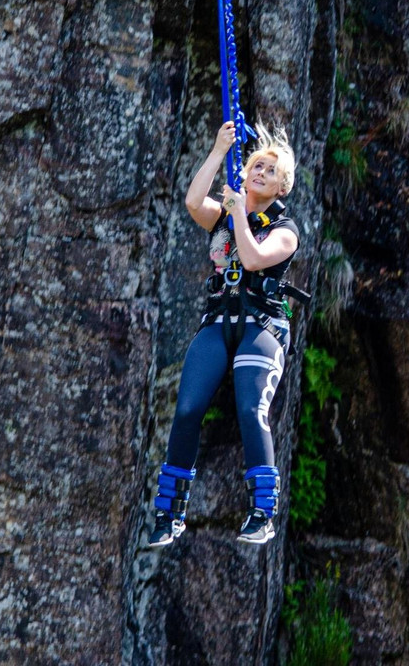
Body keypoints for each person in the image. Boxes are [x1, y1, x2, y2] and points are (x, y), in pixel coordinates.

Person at [148, 119, 303, 547]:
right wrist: (219, 150)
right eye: (256, 166)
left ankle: (262, 514)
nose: (261, 172)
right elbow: (192, 201)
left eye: (270, 170)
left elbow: (252, 259)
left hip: (262, 326)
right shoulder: (223, 214)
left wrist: (238, 213)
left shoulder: (285, 230)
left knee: (252, 409)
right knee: (186, 411)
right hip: (219, 320)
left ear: (282, 186)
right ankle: (169, 513)